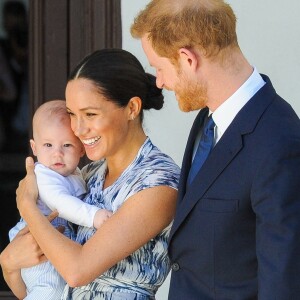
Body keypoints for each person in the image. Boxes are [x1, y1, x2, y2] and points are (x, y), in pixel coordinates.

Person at [130, 0, 300, 299]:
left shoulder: (279, 142)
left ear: (187, 59)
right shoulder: (207, 118)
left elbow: (284, 280)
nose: (160, 82)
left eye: (159, 68)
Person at [0, 48, 181, 300]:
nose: (78, 129)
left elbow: (76, 271)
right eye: (73, 114)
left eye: (90, 114)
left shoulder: (159, 182)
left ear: (131, 108)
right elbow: (52, 287)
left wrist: (26, 204)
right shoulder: (88, 174)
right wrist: (9, 265)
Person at [9, 99, 112, 299]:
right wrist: (95, 216)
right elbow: (62, 204)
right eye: (48, 145)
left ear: (81, 149)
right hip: (36, 244)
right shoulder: (44, 176)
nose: (57, 153)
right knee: (50, 289)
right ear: (34, 147)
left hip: (54, 243)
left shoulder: (77, 174)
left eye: (66, 145)